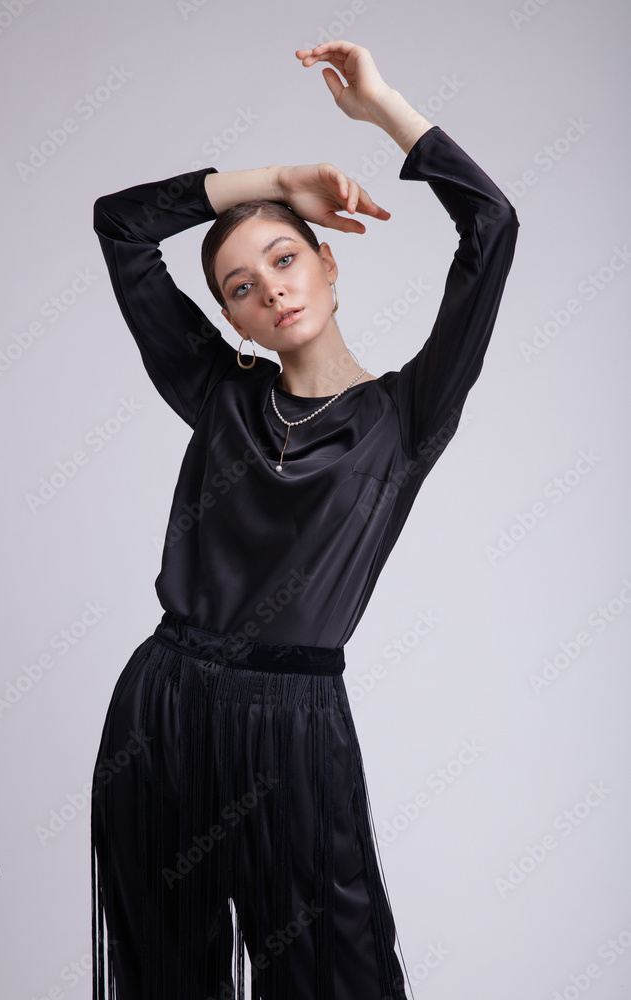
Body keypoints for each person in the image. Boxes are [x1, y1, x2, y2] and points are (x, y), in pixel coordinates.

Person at [90, 40, 519, 1000]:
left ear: (328, 262)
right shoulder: (220, 394)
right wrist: (274, 176)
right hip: (163, 707)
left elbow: (492, 226)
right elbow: (118, 226)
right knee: (171, 970)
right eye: (241, 286)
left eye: (284, 257)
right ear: (234, 320)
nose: (270, 287)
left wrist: (384, 110)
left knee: (339, 968)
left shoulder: (404, 419)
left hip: (294, 726)